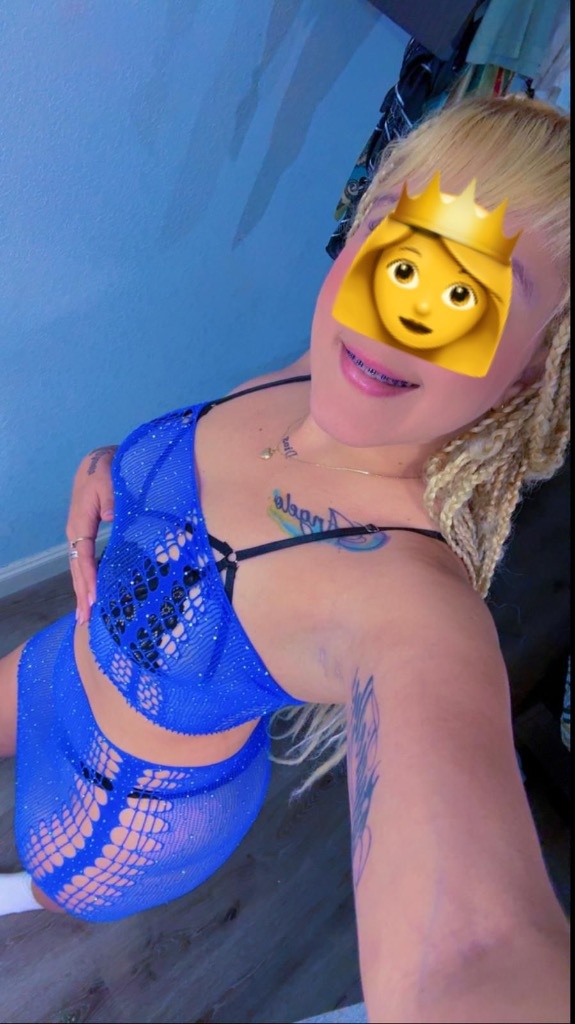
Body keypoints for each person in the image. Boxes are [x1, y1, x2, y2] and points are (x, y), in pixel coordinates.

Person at [0, 95, 570, 1023]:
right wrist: (112, 465)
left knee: (53, 887)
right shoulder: (317, 371)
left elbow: (472, 957)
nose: (393, 322)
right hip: (59, 658)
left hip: (115, 818)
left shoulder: (404, 598)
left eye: (465, 294)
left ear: (538, 362)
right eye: (397, 252)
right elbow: (198, 478)